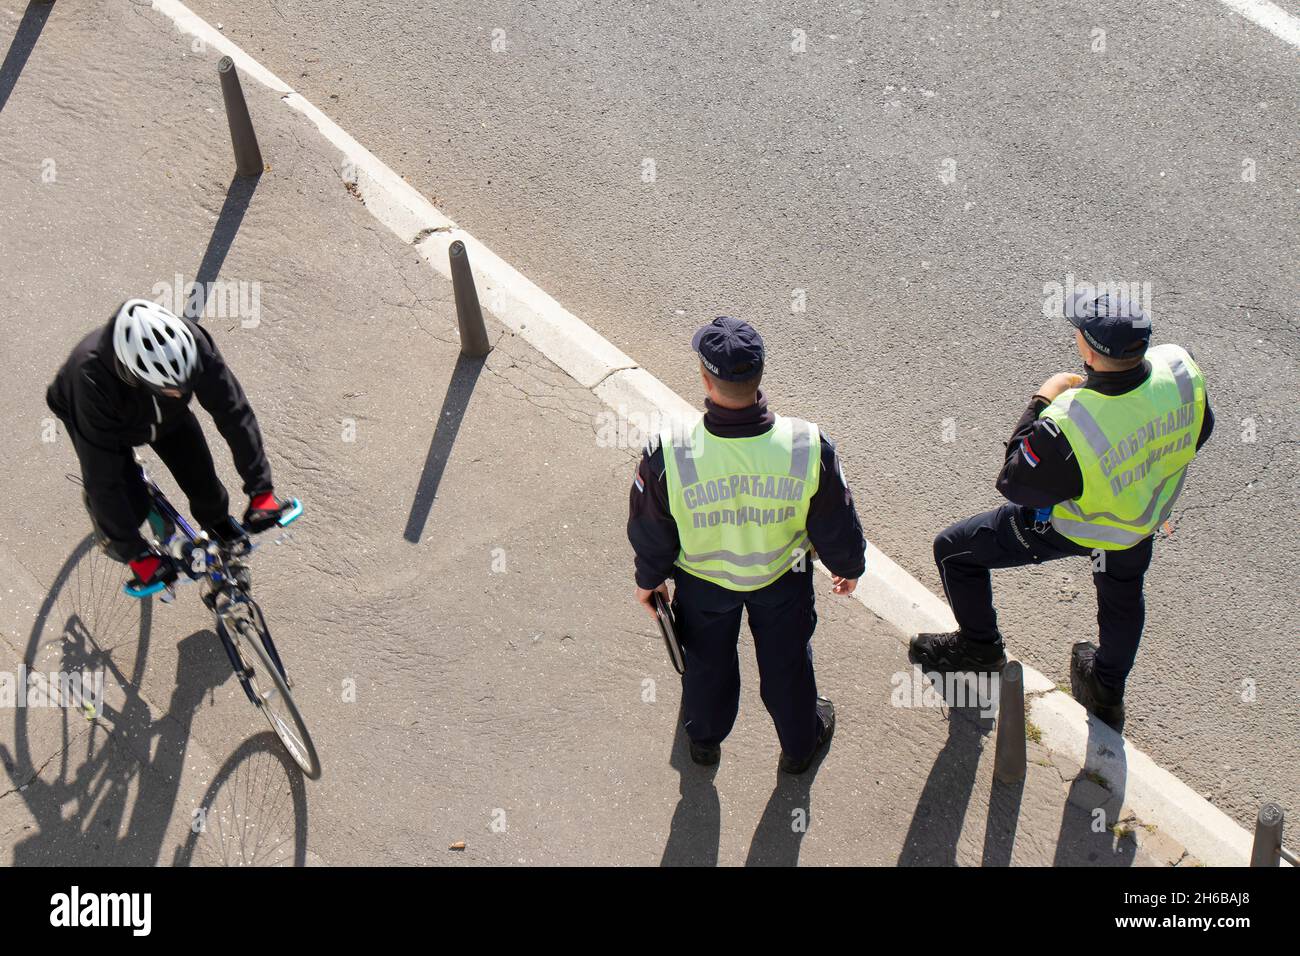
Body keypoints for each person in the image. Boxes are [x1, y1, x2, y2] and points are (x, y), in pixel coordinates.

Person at [910, 292, 1214, 731]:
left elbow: (1017, 483)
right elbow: (1200, 429)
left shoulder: (1071, 418)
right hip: (1141, 520)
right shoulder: (1180, 369)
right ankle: (1106, 690)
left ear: (1088, 349)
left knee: (953, 551)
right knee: (1123, 599)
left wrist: (1042, 397)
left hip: (1074, 526)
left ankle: (979, 650)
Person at [628, 317, 867, 773]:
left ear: (704, 378)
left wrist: (649, 581)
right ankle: (799, 746)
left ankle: (704, 740)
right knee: (787, 666)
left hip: (702, 585)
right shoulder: (806, 445)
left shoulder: (668, 451)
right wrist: (847, 565)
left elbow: (650, 528)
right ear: (760, 376)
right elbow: (836, 519)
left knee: (707, 664)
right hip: (782, 581)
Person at [47, 299, 295, 590]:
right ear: (134, 374)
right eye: (170, 388)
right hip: (103, 419)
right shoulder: (90, 379)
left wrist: (261, 490)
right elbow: (102, 478)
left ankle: (218, 538)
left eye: (185, 384)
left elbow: (234, 414)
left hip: (166, 418)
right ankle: (119, 522)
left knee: (207, 491)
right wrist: (136, 554)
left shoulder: (193, 342)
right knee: (126, 504)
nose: (180, 393)